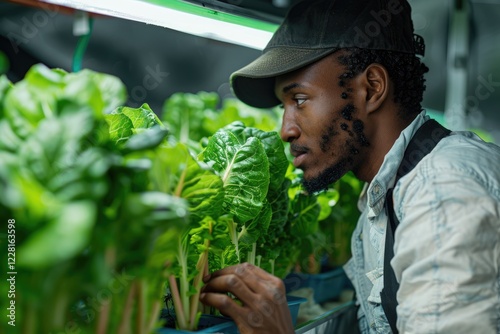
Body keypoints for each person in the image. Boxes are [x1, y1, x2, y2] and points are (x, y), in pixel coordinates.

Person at [199, 0, 500, 333]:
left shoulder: (441, 191)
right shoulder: (384, 203)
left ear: (371, 88)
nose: (286, 130)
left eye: (298, 100)